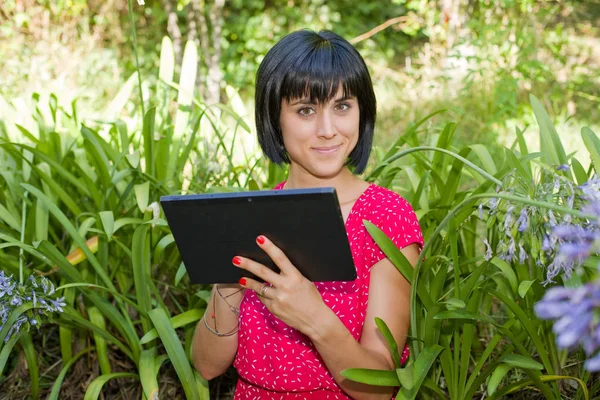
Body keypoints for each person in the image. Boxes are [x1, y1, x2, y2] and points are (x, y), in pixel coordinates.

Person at [192, 29, 423, 399]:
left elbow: (379, 390)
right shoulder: (253, 216)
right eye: (305, 110)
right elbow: (206, 365)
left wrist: (315, 318)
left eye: (342, 106)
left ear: (362, 112)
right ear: (274, 119)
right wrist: (226, 286)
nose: (328, 130)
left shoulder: (385, 217)